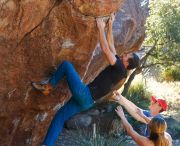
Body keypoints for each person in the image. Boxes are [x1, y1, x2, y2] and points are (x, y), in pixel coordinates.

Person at [32, 14, 140, 146]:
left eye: (127, 56)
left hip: (85, 94)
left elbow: (106, 50)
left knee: (66, 65)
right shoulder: (122, 70)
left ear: (128, 63)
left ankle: (48, 87)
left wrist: (100, 27)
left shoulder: (119, 68)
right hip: (88, 102)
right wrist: (110, 24)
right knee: (60, 116)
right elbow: (111, 46)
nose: (125, 54)